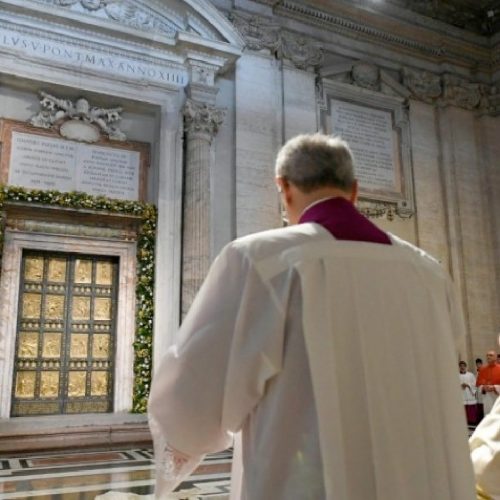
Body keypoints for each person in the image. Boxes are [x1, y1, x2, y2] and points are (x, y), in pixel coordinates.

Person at [148, 133, 475, 500]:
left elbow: (193, 391)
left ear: (284, 187)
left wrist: (182, 444)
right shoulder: (429, 273)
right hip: (421, 482)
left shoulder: (261, 261)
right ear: (354, 190)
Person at [476, 350, 500, 415]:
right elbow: (478, 385)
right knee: (488, 414)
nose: (488, 357)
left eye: (491, 355)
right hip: (487, 398)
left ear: (496, 357)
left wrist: (495, 387)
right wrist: (483, 388)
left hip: (498, 396)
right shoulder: (482, 370)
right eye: (487, 355)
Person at [460, 361, 478, 425]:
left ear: (465, 366)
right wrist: (460, 385)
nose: (462, 367)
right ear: (459, 367)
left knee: (471, 410)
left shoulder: (470, 375)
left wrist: (468, 385)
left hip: (470, 394)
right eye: (461, 366)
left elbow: (475, 384)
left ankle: (472, 422)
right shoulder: (456, 375)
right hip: (462, 395)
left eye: (463, 366)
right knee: (463, 410)